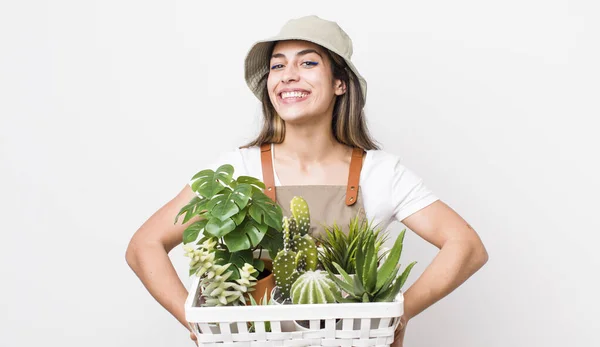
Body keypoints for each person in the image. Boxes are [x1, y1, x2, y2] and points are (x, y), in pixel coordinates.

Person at [125, 15, 489, 346]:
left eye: (308, 62)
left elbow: (466, 246)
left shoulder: (380, 172)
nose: (288, 75)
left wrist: (400, 313)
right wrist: (197, 324)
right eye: (277, 66)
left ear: (340, 84)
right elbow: (145, 244)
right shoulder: (238, 169)